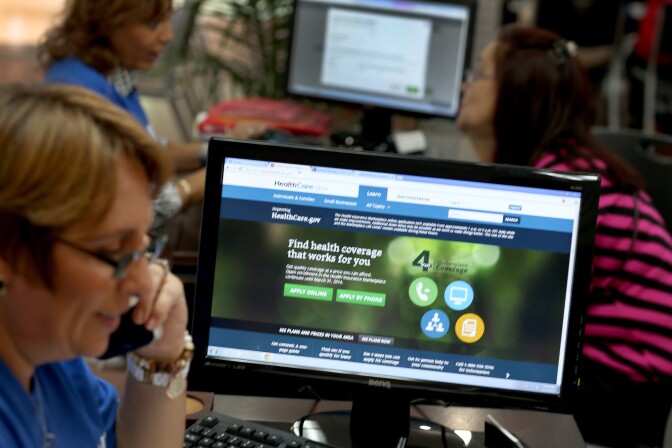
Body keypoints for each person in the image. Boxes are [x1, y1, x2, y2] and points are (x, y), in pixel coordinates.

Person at [457, 25, 672, 448]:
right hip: (626, 375)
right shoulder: (570, 165)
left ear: (517, 92)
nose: (467, 85)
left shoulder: (557, 187)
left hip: (630, 390)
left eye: (480, 73)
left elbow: (516, 319)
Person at [0, 83, 191, 446]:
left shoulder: (52, 358)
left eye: (142, 251)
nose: (141, 283)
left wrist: (163, 355)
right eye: (115, 254)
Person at [37, 0, 265, 228]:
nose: (168, 36)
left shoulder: (108, 70)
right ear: (109, 21)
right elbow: (147, 210)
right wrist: (228, 170)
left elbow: (144, 151)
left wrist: (220, 150)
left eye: (168, 18)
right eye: (153, 23)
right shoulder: (82, 100)